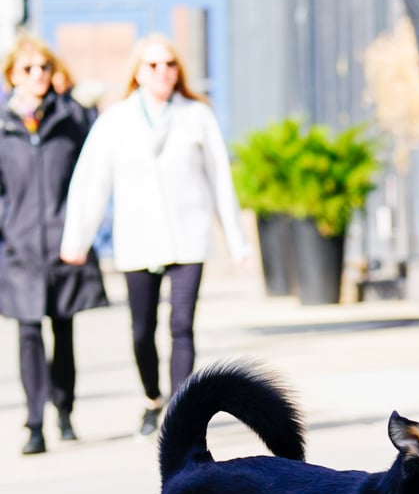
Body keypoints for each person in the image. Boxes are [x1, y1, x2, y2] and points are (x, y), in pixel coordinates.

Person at [61, 33, 251, 437]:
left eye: (170, 64)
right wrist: (77, 238)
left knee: (182, 324)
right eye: (153, 65)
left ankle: (179, 414)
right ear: (138, 73)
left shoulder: (197, 115)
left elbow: (220, 179)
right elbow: (91, 181)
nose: (163, 72)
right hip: (138, 239)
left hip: (189, 236)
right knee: (142, 330)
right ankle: (152, 399)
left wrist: (237, 242)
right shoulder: (116, 119)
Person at [0, 32, 108, 455]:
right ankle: (33, 424)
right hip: (19, 246)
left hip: (65, 243)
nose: (37, 75)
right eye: (27, 69)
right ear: (12, 75)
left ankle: (64, 412)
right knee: (28, 333)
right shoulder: (3, 124)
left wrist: (81, 230)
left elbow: (92, 176)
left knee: (63, 330)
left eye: (44, 67)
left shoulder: (72, 119)